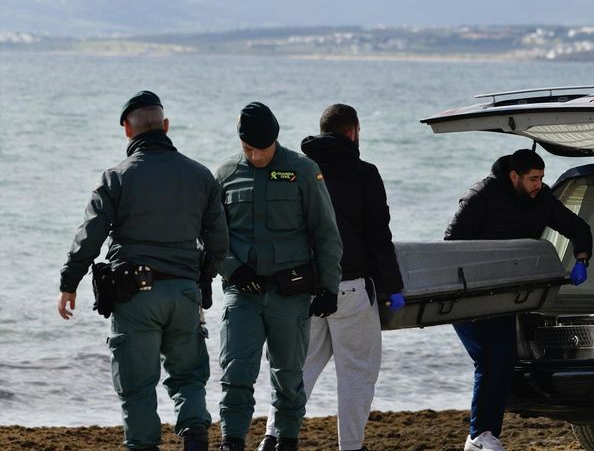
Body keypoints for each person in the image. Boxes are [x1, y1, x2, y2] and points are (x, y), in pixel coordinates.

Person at [56, 90, 229, 451]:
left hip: (134, 297)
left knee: (136, 387)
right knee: (190, 379)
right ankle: (195, 443)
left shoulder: (115, 179)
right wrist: (205, 280)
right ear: (165, 126)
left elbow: (89, 238)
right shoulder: (201, 176)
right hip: (184, 293)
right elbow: (219, 243)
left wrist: (69, 283)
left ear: (127, 131)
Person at [260, 104, 406, 451]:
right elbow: (378, 236)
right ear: (353, 131)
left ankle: (273, 436)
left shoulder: (296, 170)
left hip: (303, 288)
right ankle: (351, 446)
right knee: (357, 374)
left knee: (299, 369)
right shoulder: (364, 173)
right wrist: (392, 288)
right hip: (350, 288)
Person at [215, 102, 343, 451]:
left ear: (275, 139)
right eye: (248, 149)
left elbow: (326, 233)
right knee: (236, 372)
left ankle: (287, 440)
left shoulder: (302, 170)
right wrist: (231, 267)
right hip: (243, 292)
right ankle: (232, 441)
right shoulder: (225, 174)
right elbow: (211, 235)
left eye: (262, 149)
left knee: (288, 376)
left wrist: (329, 286)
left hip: (290, 293)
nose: (255, 156)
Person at [445, 149, 592, 451]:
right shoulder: (482, 196)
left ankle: (483, 436)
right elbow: (451, 245)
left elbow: (579, 228)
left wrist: (582, 259)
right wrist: (463, 294)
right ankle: (480, 436)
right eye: (533, 178)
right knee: (490, 357)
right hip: (467, 294)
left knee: (502, 358)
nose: (539, 183)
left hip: (502, 296)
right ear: (514, 176)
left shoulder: (541, 198)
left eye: (541, 177)